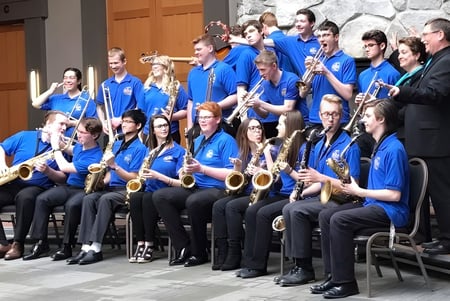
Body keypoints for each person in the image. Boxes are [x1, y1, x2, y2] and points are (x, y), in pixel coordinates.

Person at [313, 99, 409, 299]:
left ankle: (346, 283)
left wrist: (360, 191)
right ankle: (333, 276)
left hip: (391, 211)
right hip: (375, 206)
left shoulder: (394, 149)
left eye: (367, 116)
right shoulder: (379, 146)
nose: (363, 120)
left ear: (380, 119)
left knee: (339, 220)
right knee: (326, 216)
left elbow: (394, 195)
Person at [277, 94, 360, 287]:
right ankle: (298, 265)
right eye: (327, 114)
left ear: (342, 116)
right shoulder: (320, 142)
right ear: (320, 115)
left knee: (297, 211)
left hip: (342, 200)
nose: (331, 119)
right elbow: (318, 181)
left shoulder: (349, 145)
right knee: (290, 207)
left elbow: (351, 185)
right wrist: (300, 193)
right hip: (324, 195)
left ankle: (305, 269)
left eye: (335, 114)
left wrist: (320, 178)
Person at [387, 18, 450, 255]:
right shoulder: (437, 59)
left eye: (426, 35)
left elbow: (434, 94)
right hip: (425, 141)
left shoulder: (446, 61)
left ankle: (448, 238)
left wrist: (401, 91)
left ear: (440, 35)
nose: (423, 39)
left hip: (436, 141)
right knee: (433, 191)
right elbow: (417, 73)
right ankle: (441, 236)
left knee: (442, 192)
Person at [153, 102, 238, 267]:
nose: (202, 120)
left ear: (218, 119)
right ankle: (184, 247)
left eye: (207, 117)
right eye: (200, 117)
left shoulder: (226, 140)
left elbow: (232, 174)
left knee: (194, 202)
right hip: (197, 187)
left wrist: (202, 169)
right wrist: (185, 170)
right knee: (161, 196)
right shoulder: (198, 140)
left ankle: (200, 252)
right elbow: (192, 167)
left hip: (218, 188)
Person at [66, 109, 147, 265]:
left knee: (105, 199)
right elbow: (110, 173)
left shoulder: (140, 148)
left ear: (138, 125)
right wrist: (100, 181)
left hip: (128, 190)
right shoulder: (116, 144)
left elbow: (134, 177)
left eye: (129, 122)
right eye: (123, 121)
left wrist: (115, 166)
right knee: (89, 198)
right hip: (112, 188)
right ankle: (85, 247)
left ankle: (96, 248)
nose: (124, 124)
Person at [236, 110, 306, 279]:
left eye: (280, 124)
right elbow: (274, 175)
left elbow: (304, 180)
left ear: (290, 127)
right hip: (283, 193)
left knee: (263, 214)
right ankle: (249, 262)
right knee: (252, 211)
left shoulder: (303, 148)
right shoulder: (283, 146)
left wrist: (287, 169)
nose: (276, 126)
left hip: (297, 196)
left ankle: (258, 265)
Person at [22, 117, 103, 261]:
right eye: (78, 131)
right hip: (69, 187)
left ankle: (67, 247)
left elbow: (65, 167)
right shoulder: (80, 145)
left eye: (83, 133)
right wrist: (54, 135)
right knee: (42, 199)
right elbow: (71, 149)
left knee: (71, 206)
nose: (78, 135)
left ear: (95, 135)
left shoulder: (96, 156)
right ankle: (40, 242)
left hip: (83, 190)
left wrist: (55, 147)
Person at [0, 110, 68, 260]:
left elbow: (63, 178)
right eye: (61, 124)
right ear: (48, 124)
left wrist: (48, 171)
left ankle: (18, 244)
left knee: (25, 198)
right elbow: (1, 147)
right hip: (13, 180)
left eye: (66, 125)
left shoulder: (64, 147)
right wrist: (2, 165)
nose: (64, 128)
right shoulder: (25, 136)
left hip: (38, 186)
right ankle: (3, 243)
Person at [211, 118, 273, 271]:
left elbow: (274, 176)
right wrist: (238, 168)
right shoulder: (243, 152)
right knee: (219, 205)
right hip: (247, 192)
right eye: (252, 128)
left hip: (264, 194)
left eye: (259, 128)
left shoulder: (270, 150)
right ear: (244, 133)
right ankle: (223, 249)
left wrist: (261, 168)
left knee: (232, 207)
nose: (257, 131)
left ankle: (235, 251)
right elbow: (240, 181)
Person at [128, 114, 185, 263]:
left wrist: (158, 176)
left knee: (147, 198)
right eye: (160, 126)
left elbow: (182, 181)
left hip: (166, 191)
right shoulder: (150, 151)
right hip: (150, 189)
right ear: (153, 130)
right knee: (135, 198)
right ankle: (140, 243)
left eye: (166, 125)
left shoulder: (178, 151)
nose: (164, 128)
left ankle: (149, 244)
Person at [299, 20, 357, 129]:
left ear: (336, 37)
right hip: (316, 118)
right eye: (319, 36)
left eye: (326, 35)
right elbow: (302, 93)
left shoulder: (347, 60)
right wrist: (308, 72)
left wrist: (326, 72)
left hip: (337, 120)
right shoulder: (317, 60)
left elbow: (348, 94)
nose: (322, 39)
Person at [354, 30, 401, 157]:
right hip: (366, 126)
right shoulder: (363, 75)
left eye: (370, 45)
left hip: (384, 129)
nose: (367, 49)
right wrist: (361, 103)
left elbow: (397, 106)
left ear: (382, 46)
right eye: (365, 46)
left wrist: (373, 99)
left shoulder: (392, 73)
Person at [186, 34, 237, 133]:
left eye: (199, 49)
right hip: (197, 127)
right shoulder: (193, 73)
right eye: (195, 50)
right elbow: (191, 101)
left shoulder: (224, 69)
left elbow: (235, 96)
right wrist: (189, 128)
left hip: (219, 126)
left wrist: (213, 107)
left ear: (210, 48)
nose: (195, 53)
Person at [247, 50, 309, 125]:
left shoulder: (292, 79)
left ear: (274, 66)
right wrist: (255, 105)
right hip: (284, 125)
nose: (260, 74)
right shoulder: (265, 84)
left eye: (263, 70)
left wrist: (260, 103)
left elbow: (288, 109)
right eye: (259, 70)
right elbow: (264, 115)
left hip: (301, 124)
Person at [31, 67, 97, 138]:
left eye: (71, 78)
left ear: (79, 81)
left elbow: (94, 124)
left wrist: (72, 123)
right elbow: (35, 104)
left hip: (77, 142)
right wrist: (50, 91)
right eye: (65, 78)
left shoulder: (87, 100)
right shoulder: (56, 98)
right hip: (54, 140)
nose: (68, 80)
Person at [138, 55, 188, 144]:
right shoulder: (146, 87)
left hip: (170, 131)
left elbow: (186, 110)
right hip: (149, 132)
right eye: (152, 65)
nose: (154, 67)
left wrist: (172, 116)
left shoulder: (176, 86)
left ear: (166, 67)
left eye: (157, 64)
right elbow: (141, 112)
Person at [96, 47, 144, 134]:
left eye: (116, 63)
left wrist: (121, 119)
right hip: (111, 130)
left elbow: (140, 107)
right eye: (111, 63)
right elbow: (99, 107)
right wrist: (103, 123)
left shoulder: (135, 82)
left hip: (130, 129)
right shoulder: (105, 85)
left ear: (124, 61)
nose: (113, 66)